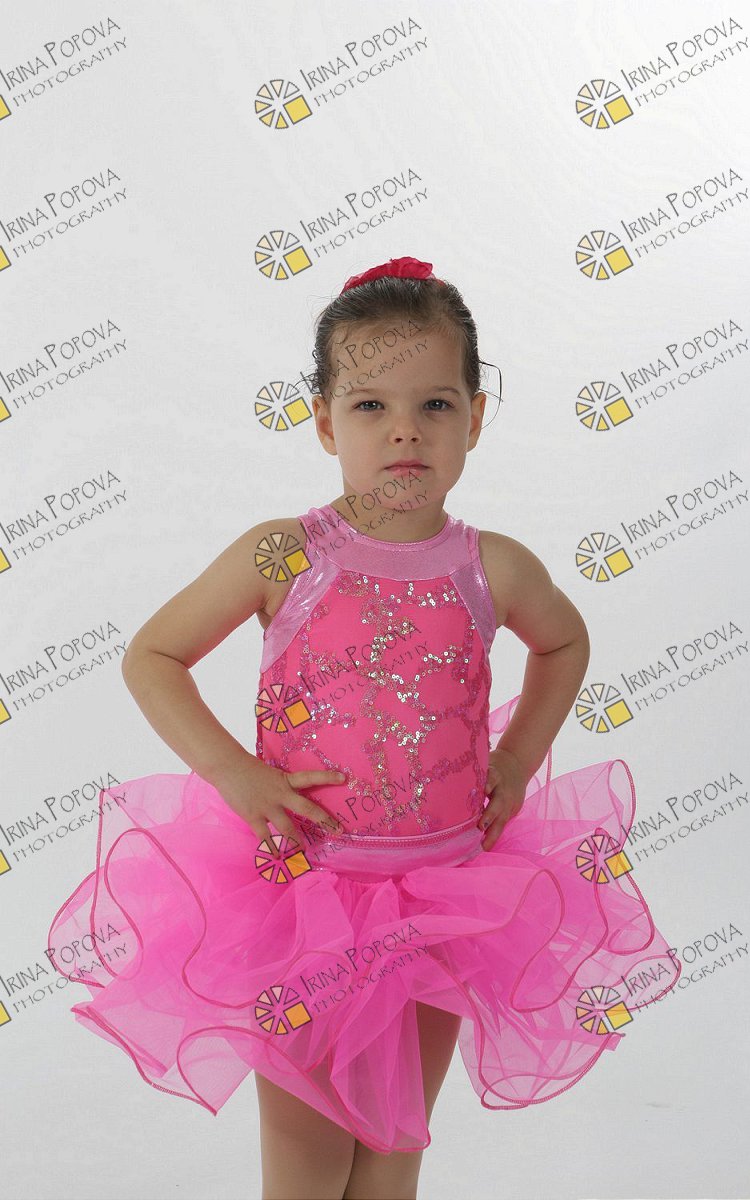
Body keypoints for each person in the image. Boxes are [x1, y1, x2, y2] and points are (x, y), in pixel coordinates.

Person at [47, 256, 681, 1200]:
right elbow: (154, 655)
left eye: (435, 405)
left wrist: (516, 758)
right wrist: (235, 774)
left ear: (476, 417)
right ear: (323, 422)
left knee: (392, 1147)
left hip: (447, 898)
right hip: (304, 898)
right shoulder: (286, 553)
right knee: (308, 1160)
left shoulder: (493, 567)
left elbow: (565, 642)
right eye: (371, 405)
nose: (404, 431)